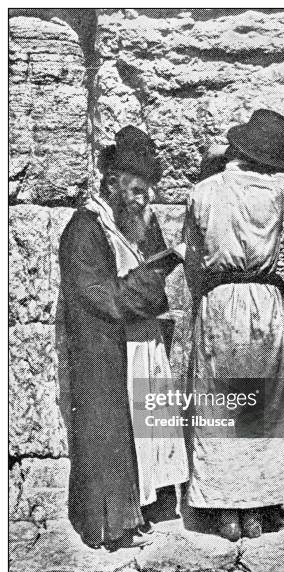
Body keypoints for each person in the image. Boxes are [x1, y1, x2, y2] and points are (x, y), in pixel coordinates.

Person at [59, 125, 188, 550]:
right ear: (112, 182)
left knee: (150, 431)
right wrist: (150, 286)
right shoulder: (84, 229)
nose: (144, 199)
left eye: (148, 190)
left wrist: (153, 274)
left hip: (143, 344)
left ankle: (151, 506)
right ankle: (113, 524)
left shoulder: (138, 223)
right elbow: (103, 298)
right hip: (110, 351)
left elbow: (152, 269)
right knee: (117, 432)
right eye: (136, 190)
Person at [183, 109, 284, 541]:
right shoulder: (276, 191)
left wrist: (205, 299)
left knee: (220, 404)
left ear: (237, 149)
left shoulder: (202, 192)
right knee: (263, 404)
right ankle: (256, 510)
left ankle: (225, 512)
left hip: (220, 300)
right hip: (265, 302)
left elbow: (193, 260)